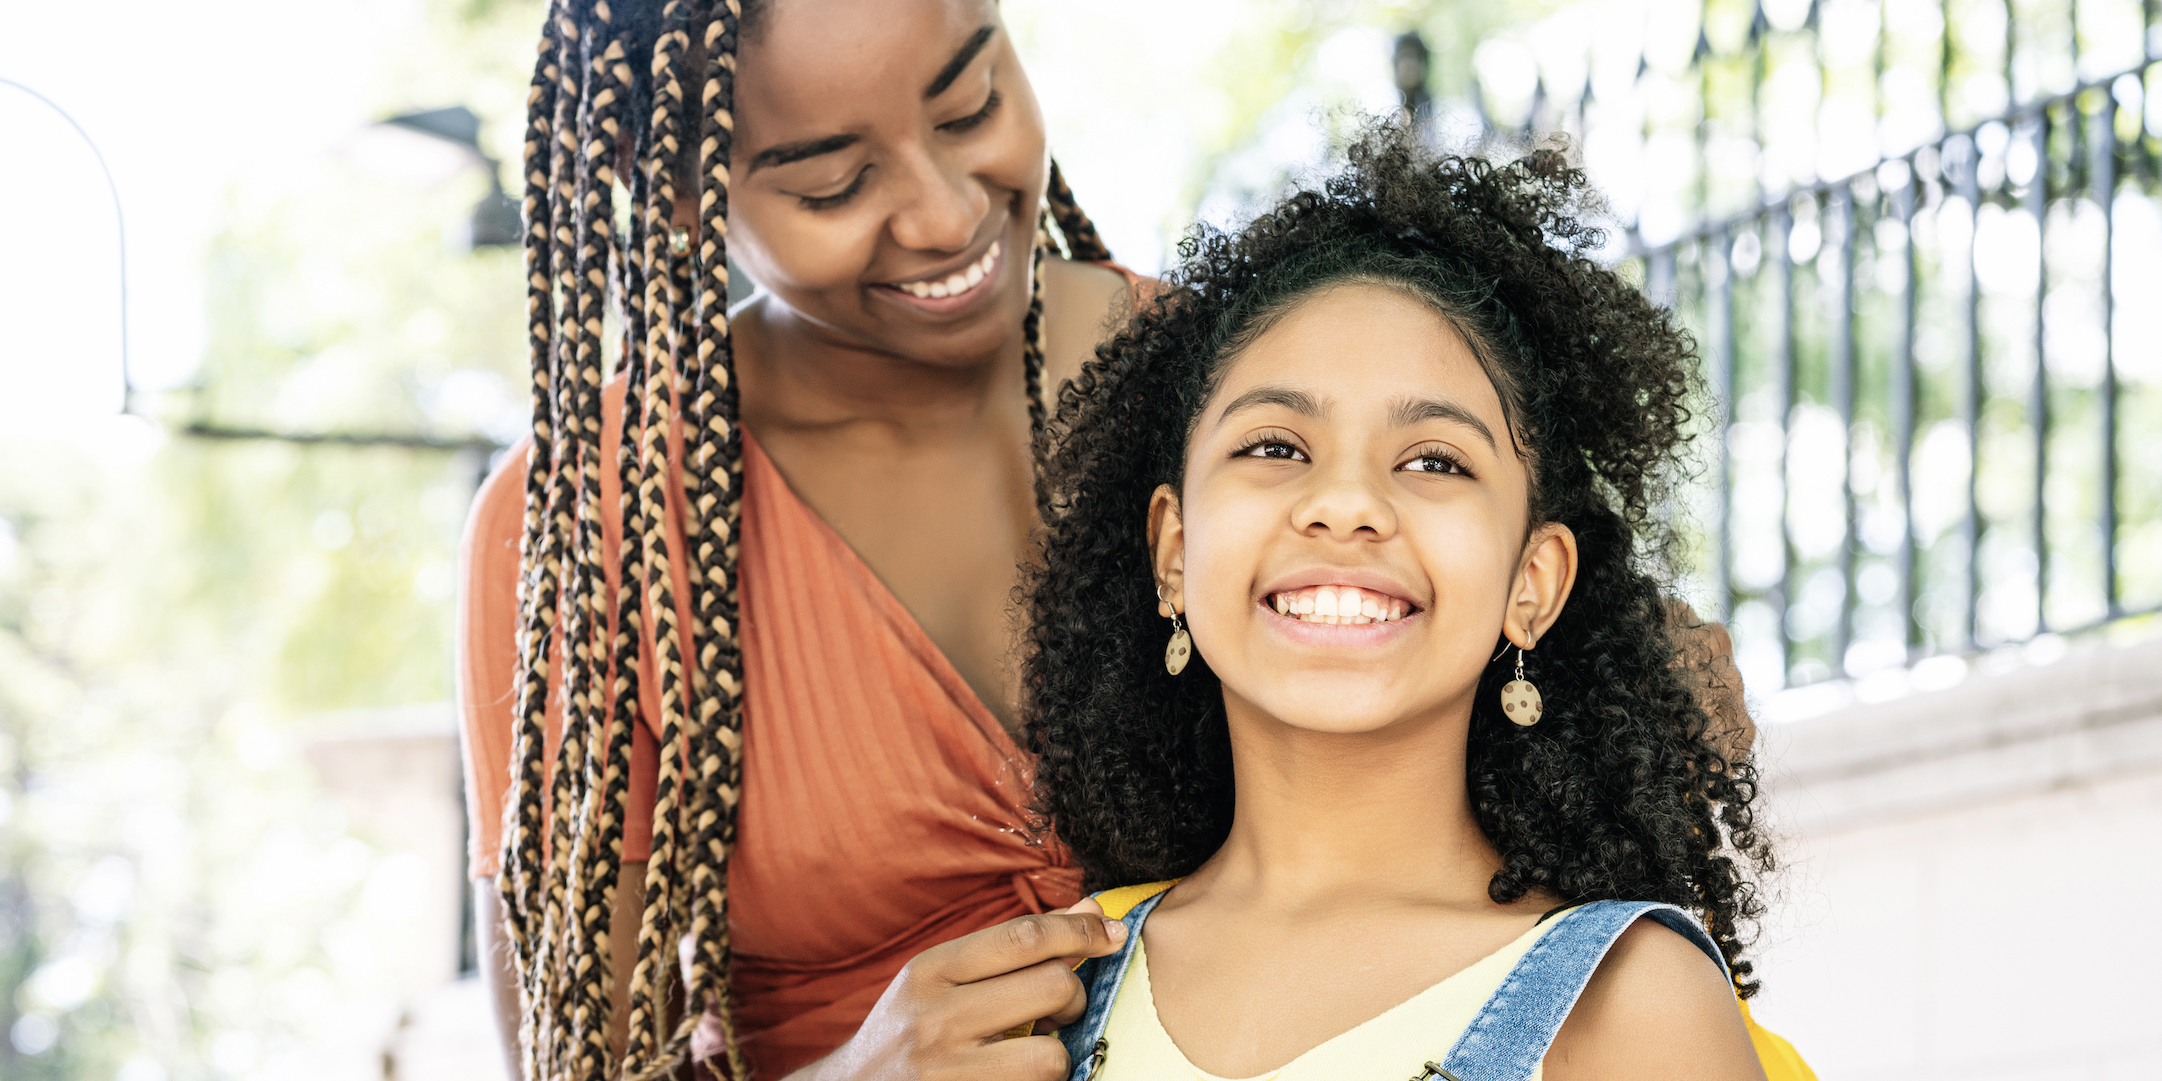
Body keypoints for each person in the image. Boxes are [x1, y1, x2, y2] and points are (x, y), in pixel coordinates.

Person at [457, 3, 1765, 1080]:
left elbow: (1530, 669)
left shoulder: (1241, 396)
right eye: (833, 180)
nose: (941, 211)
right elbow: (578, 1054)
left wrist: (1640, 689)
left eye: (970, 105)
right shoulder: (591, 531)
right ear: (681, 198)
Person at [1020, 127, 1815, 1080]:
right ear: (1176, 552)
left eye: (1435, 460)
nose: (1347, 503)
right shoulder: (1052, 979)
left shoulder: (1633, 1003)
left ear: (1533, 584)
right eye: (1276, 446)